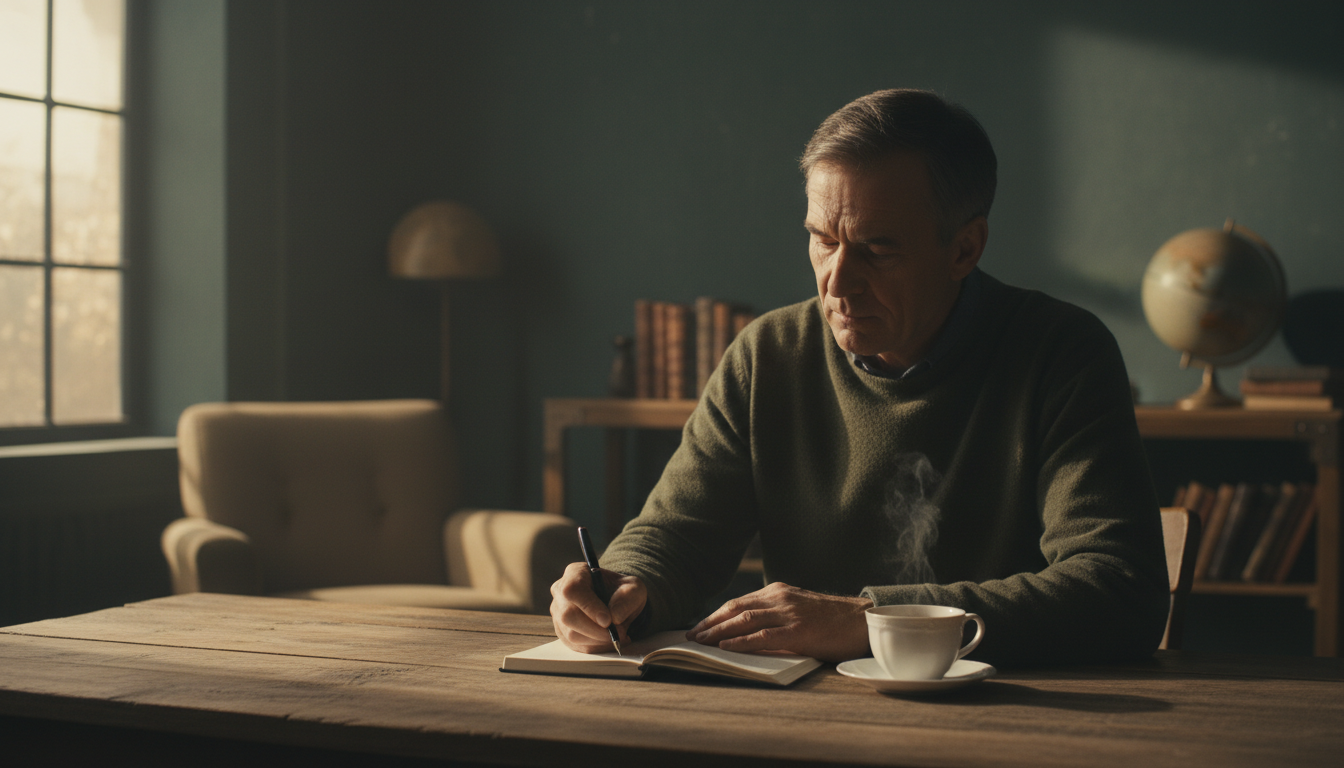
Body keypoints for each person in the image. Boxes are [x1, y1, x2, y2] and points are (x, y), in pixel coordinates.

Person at [550, 89, 1170, 667]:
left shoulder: (1061, 354)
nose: (836, 283)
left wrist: (873, 620)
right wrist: (624, 583)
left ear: (964, 249)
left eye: (877, 250)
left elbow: (1119, 591)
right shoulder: (768, 355)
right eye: (822, 240)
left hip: (1009, 719)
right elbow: (678, 535)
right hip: (806, 719)